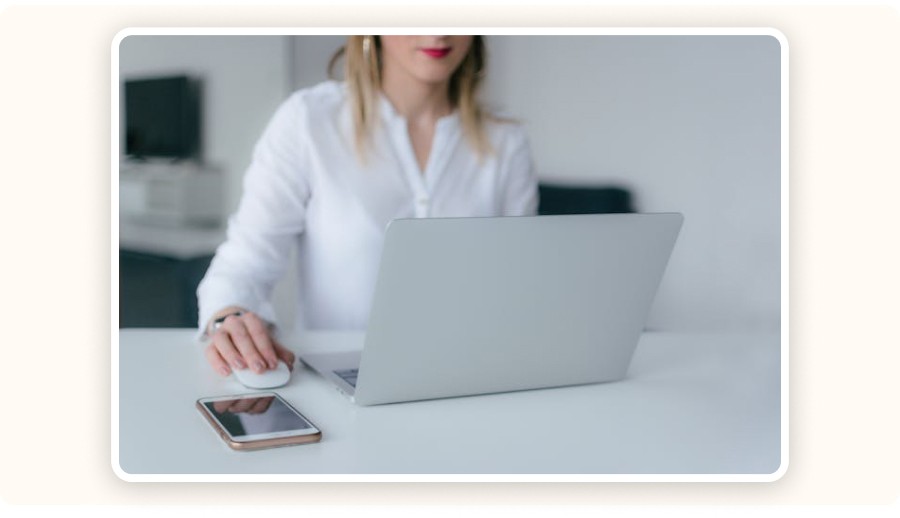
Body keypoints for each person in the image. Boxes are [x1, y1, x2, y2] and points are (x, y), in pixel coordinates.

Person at [197, 35, 538, 377]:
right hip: (341, 380)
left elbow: (518, 286)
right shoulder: (309, 121)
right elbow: (244, 264)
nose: (438, 30)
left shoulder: (506, 141)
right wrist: (229, 318)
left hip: (468, 378)